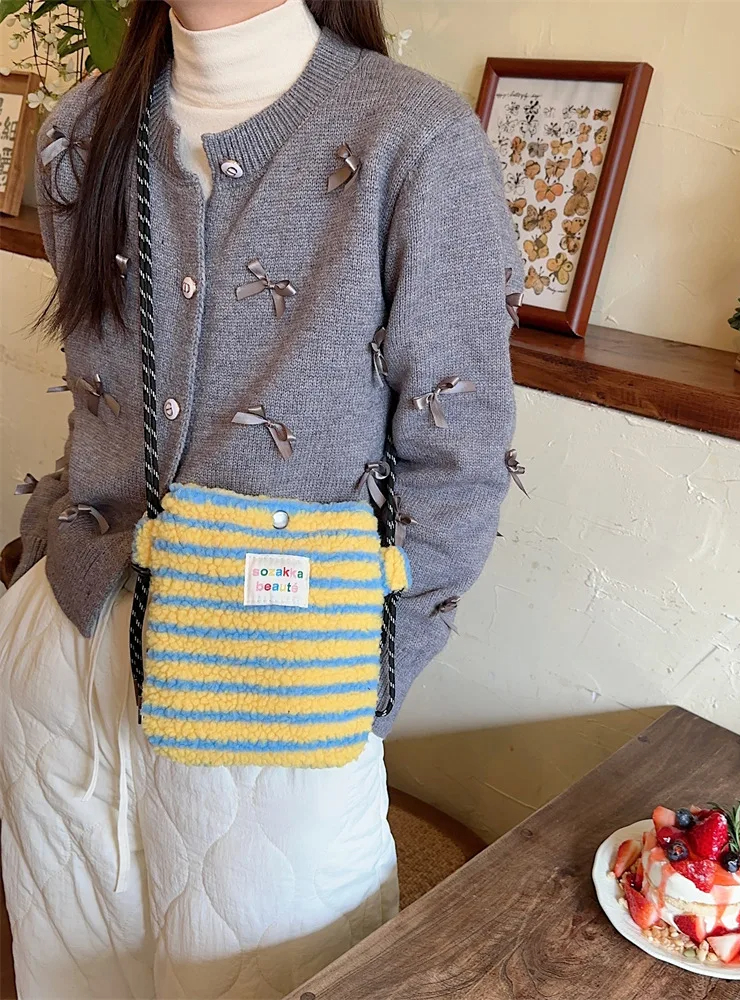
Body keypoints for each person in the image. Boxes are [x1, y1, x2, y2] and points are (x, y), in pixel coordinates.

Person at [0, 1, 521, 997]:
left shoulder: (412, 138)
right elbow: (95, 396)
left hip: (281, 694)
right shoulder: (84, 127)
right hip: (65, 661)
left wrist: (359, 684)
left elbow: (459, 458)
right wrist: (35, 574)